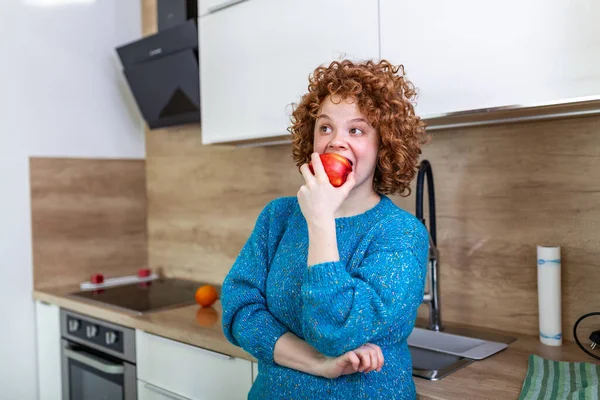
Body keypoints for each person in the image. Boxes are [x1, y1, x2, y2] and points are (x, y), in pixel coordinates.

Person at [221, 59, 430, 399]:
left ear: (384, 146)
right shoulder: (279, 217)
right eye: (325, 128)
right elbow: (239, 310)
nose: (336, 141)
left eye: (357, 130)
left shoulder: (401, 233)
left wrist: (320, 222)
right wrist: (316, 362)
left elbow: (336, 332)